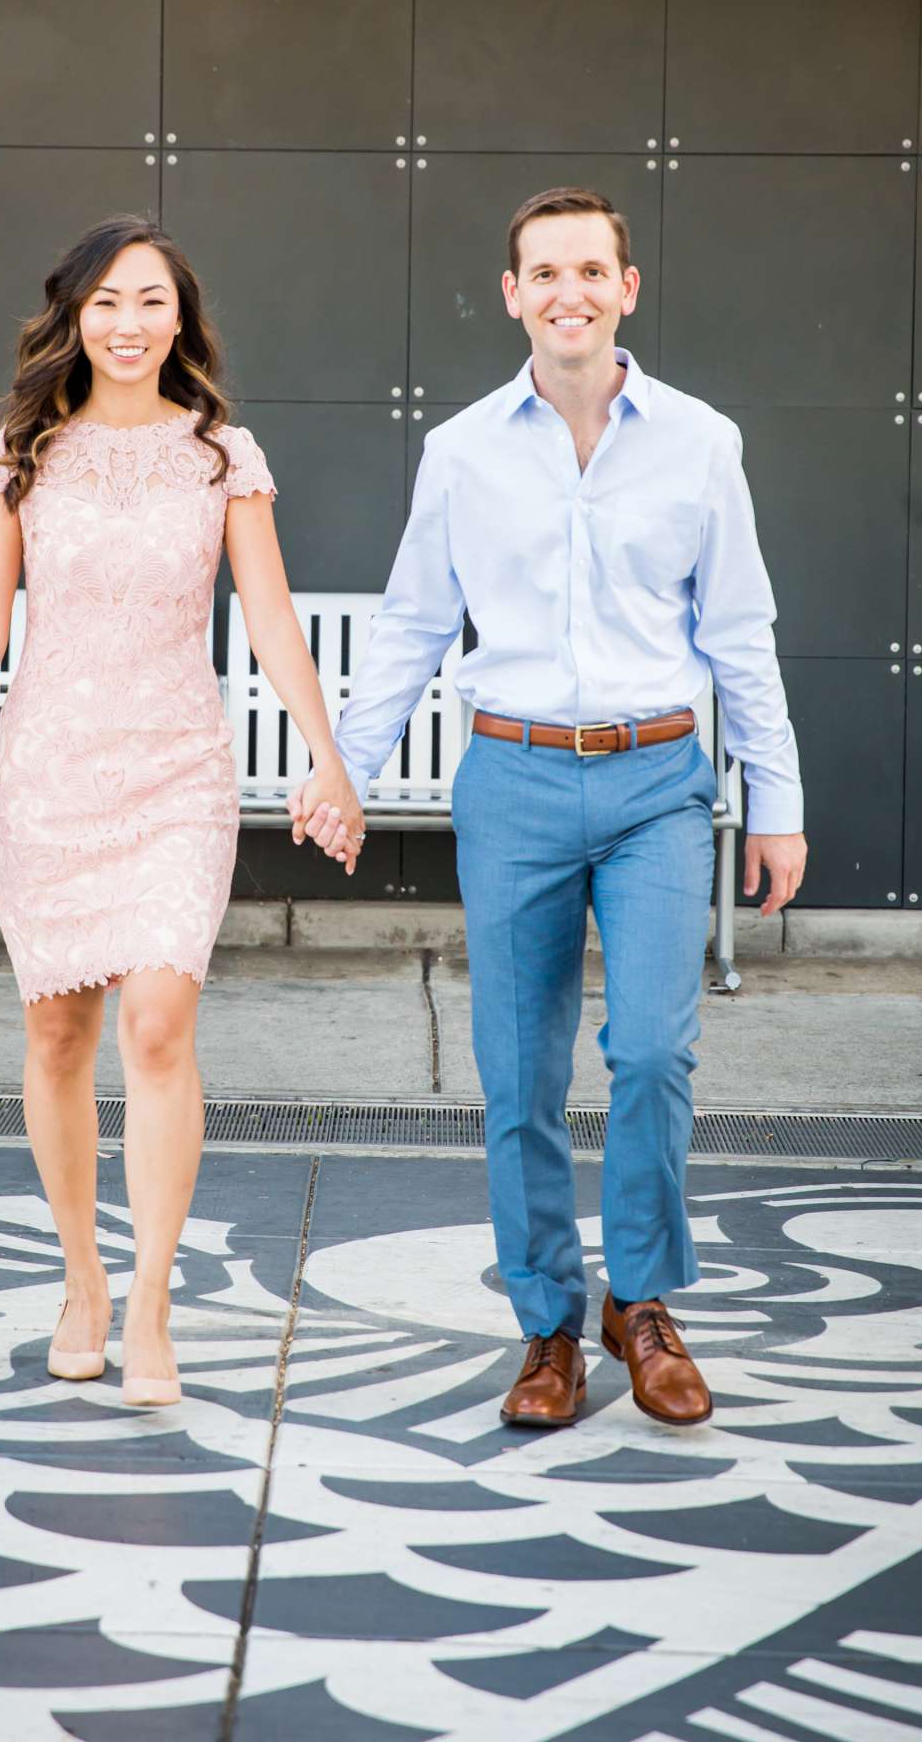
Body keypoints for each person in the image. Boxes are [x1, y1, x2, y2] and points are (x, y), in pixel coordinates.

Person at [291, 186, 806, 1430]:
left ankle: (644, 1305)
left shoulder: (700, 442)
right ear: (512, 293)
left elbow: (739, 633)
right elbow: (414, 623)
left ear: (627, 289)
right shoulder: (462, 450)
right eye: (543, 272)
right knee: (518, 1075)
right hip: (513, 779)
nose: (568, 291)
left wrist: (776, 798)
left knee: (651, 1053)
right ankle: (547, 1329)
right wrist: (345, 764)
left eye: (592, 269)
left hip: (657, 783)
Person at [0, 215, 360, 1406]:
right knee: (58, 1036)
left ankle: (152, 1302)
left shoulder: (222, 456)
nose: (127, 324)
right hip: (49, 774)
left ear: (181, 318)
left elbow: (268, 617)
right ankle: (83, 1282)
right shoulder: (18, 456)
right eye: (105, 301)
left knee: (157, 1024)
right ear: (72, 315)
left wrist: (326, 759)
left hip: (177, 776)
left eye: (150, 300)